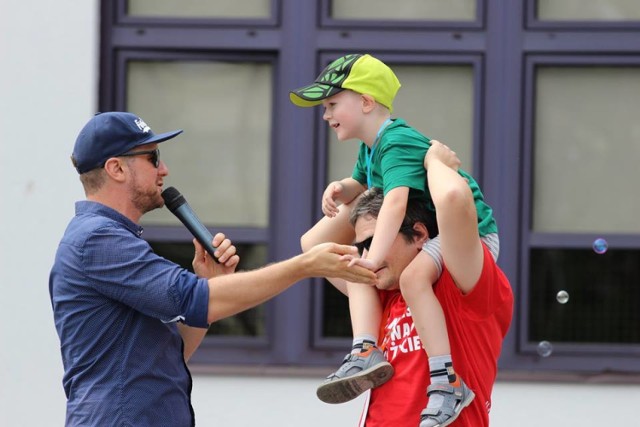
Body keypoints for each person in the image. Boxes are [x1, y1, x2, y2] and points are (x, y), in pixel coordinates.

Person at [49, 111, 377, 427]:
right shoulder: (97, 238)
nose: (164, 169)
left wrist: (209, 284)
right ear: (116, 168)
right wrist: (304, 265)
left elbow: (166, 358)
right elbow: (192, 298)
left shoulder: (110, 238)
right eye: (152, 156)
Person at [290, 54, 500, 426]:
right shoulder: (370, 149)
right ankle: (365, 349)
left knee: (412, 278)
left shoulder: (398, 141)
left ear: (367, 102)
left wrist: (436, 162)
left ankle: (446, 381)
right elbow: (316, 241)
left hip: (476, 236)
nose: (325, 115)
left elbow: (399, 202)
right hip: (421, 243)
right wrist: (341, 190)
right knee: (358, 272)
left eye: (333, 104)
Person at [355, 141, 512, 426]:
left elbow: (453, 197)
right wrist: (364, 184)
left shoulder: (460, 283)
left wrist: (433, 162)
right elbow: (312, 243)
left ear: (418, 235)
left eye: (374, 242)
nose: (368, 256)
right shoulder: (385, 295)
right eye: (362, 246)